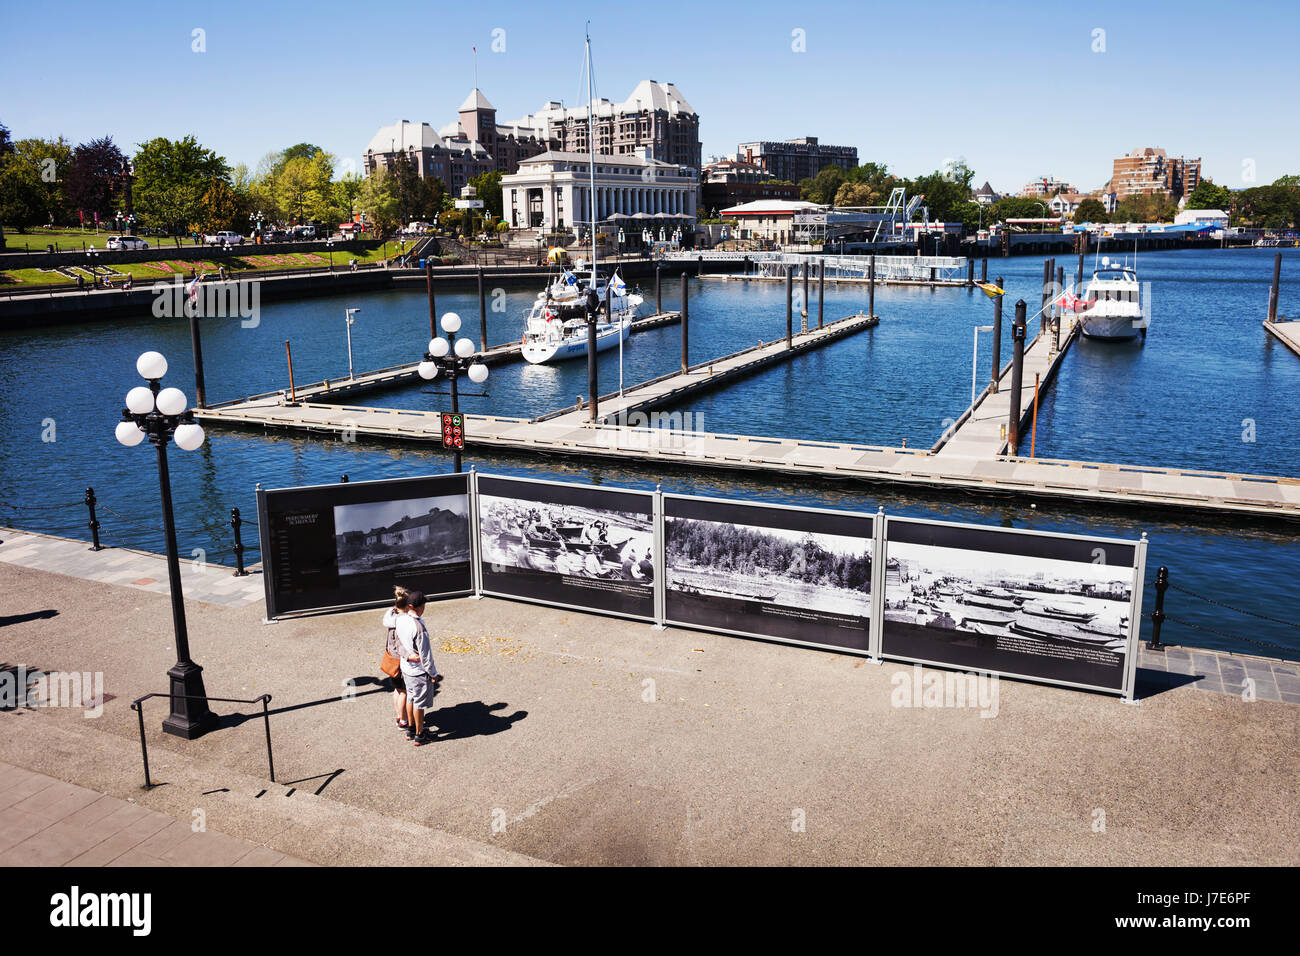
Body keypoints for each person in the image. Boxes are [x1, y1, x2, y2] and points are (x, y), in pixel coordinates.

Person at [394, 590, 441, 746]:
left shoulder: (400, 619)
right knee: (419, 704)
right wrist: (433, 673)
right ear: (419, 607)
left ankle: (411, 728)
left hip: (406, 667)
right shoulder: (419, 627)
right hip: (418, 671)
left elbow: (397, 642)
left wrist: (407, 656)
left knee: (411, 697)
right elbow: (426, 656)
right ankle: (420, 735)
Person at [382, 587, 411, 730]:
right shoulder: (402, 622)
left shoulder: (390, 616)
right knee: (404, 692)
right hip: (400, 661)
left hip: (391, 659)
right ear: (407, 606)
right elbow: (401, 645)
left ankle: (399, 716)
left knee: (397, 690)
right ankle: (404, 721)